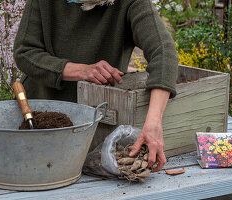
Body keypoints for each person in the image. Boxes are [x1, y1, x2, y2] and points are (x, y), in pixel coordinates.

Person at [13, 0, 179, 172]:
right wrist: (80, 70)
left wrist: (153, 123)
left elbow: (164, 52)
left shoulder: (131, 3)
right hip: (40, 117)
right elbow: (25, 51)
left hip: (97, 125)